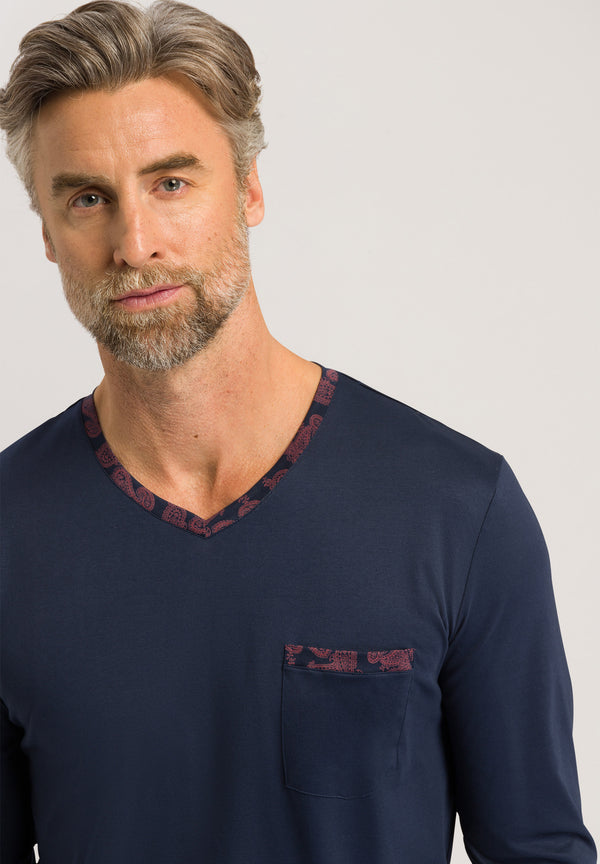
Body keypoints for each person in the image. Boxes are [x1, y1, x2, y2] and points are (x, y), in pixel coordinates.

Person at [0, 2, 596, 862]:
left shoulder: (457, 510)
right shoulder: (10, 531)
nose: (136, 243)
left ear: (249, 189)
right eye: (88, 198)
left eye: (172, 183)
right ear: (49, 236)